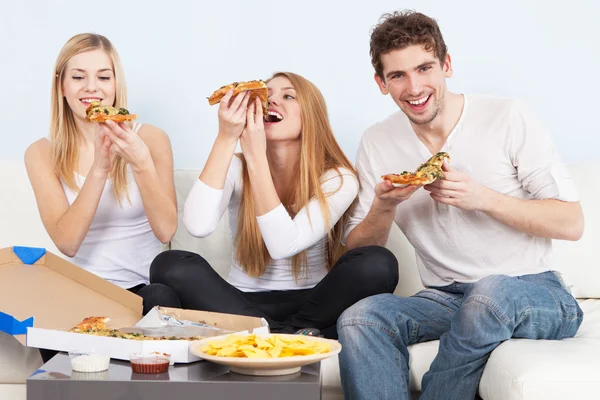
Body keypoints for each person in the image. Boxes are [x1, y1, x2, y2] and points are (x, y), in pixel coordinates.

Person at [336, 10, 585, 400]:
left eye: (424, 68)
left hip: (533, 291)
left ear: (447, 65)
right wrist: (383, 207)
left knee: (489, 293)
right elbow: (357, 251)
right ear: (381, 83)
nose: (414, 87)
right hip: (447, 297)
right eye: (398, 75)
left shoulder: (507, 117)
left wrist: (483, 198)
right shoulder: (377, 141)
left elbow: (572, 222)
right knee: (360, 318)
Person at [149, 72, 399, 338]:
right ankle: (287, 334)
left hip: (316, 304)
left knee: (378, 263)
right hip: (240, 305)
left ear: (310, 117)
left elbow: (283, 246)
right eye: (266, 96)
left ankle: (276, 333)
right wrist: (226, 137)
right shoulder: (235, 165)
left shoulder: (337, 177)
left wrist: (256, 155)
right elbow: (197, 226)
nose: (271, 102)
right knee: (169, 264)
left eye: (288, 96)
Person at [25, 33, 180, 322]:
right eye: (79, 77)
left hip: (142, 292)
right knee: (41, 312)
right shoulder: (40, 153)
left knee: (161, 298)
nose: (91, 88)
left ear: (116, 84)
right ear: (61, 85)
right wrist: (99, 169)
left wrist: (141, 161)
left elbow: (166, 231)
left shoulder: (152, 139)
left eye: (103, 77)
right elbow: (67, 243)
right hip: (81, 291)